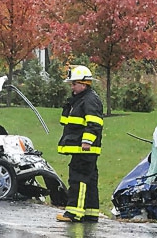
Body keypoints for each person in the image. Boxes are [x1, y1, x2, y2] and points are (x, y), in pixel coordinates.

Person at [56, 65, 104, 223]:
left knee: (78, 179)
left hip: (85, 149)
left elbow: (94, 123)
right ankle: (90, 213)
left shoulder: (90, 100)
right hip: (82, 148)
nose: (72, 87)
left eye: (74, 84)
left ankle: (73, 213)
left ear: (84, 84)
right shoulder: (81, 99)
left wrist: (86, 141)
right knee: (89, 180)